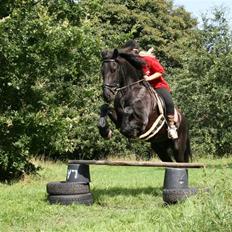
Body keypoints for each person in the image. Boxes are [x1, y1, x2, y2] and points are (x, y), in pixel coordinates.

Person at [122, 40, 178, 140]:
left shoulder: (147, 59)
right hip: (143, 87)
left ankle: (171, 126)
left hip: (158, 86)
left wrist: (149, 78)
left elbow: (160, 72)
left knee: (169, 102)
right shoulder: (131, 64)